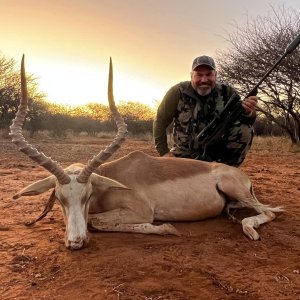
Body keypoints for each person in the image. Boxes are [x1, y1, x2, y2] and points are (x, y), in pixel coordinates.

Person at [153, 55, 258, 167]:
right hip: (184, 154)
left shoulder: (227, 92)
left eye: (208, 74)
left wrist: (249, 112)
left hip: (217, 154)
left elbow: (246, 120)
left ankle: (228, 169)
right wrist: (164, 153)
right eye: (199, 75)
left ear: (215, 75)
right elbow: (160, 121)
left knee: (245, 130)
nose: (204, 80)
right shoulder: (177, 92)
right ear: (191, 76)